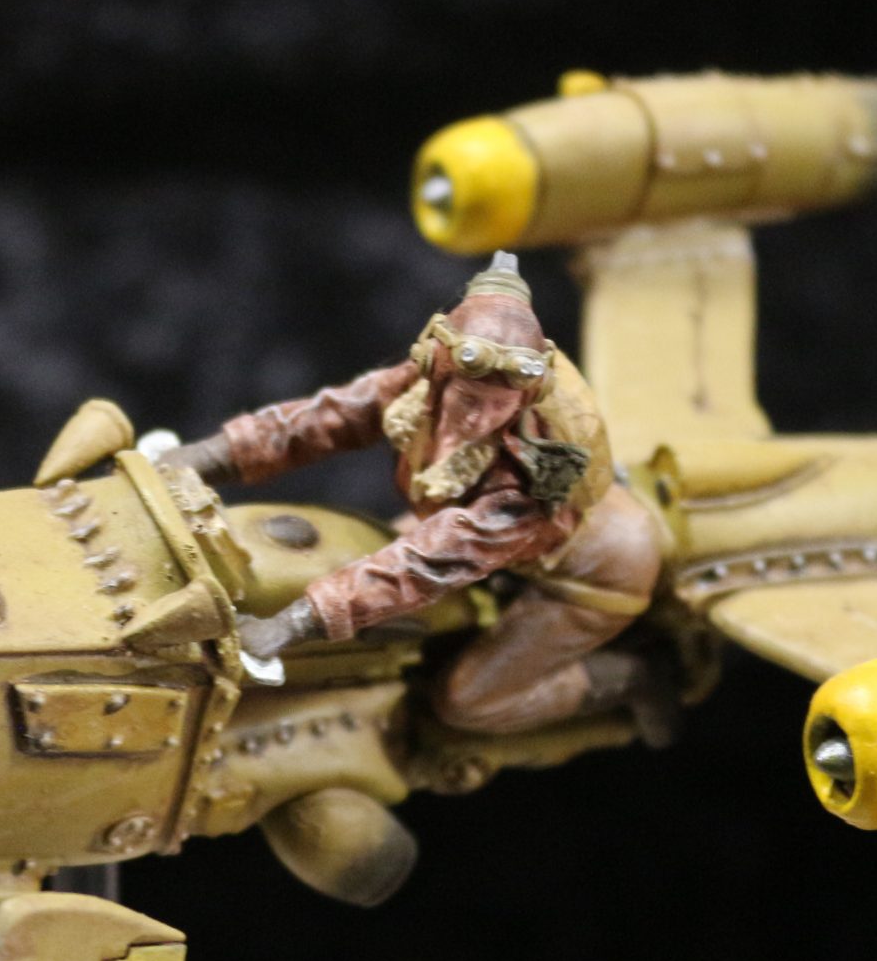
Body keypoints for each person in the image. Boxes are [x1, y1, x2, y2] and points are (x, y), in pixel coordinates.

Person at [160, 253, 679, 743]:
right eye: (468, 399)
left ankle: (633, 675)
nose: (477, 418)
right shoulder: (418, 386)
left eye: (499, 407)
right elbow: (328, 418)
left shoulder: (530, 474)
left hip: (593, 572)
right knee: (370, 574)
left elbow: (435, 559)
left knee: (467, 702)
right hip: (475, 531)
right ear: (439, 374)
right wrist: (206, 456)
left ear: (525, 399)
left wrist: (290, 625)